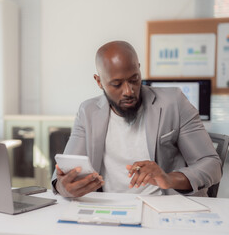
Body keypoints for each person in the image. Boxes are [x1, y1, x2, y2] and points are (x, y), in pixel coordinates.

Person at [51, 41, 222, 197]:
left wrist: (168, 179)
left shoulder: (173, 102)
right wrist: (63, 187)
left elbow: (211, 164)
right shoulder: (87, 111)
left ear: (139, 69)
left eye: (134, 80)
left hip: (164, 206)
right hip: (109, 208)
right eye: (117, 84)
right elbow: (65, 171)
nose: (128, 91)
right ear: (99, 81)